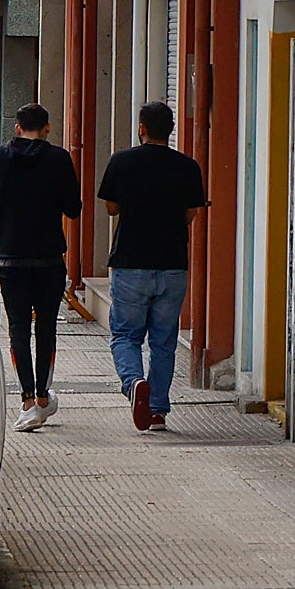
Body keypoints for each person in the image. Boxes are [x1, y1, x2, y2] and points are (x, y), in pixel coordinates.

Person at [98, 102, 205, 431]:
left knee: (126, 335)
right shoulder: (187, 167)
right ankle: (156, 409)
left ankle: (133, 384)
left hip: (131, 263)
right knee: (163, 341)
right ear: (170, 130)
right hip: (172, 265)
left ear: (142, 128)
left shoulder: (122, 161)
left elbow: (111, 208)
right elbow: (191, 214)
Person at [0, 103, 82, 432]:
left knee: (17, 330)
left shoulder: (2, 156)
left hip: (12, 257)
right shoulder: (59, 159)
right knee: (46, 329)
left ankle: (26, 399)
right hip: (49, 258)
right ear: (48, 128)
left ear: (17, 128)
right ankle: (43, 395)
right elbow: (74, 207)